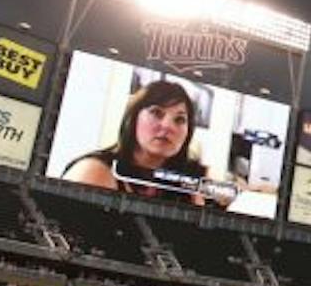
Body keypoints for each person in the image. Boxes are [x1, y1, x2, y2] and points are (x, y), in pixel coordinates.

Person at [61, 79, 207, 205]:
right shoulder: (94, 171)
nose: (168, 126)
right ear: (133, 118)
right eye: (156, 113)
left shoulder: (188, 182)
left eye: (179, 119)